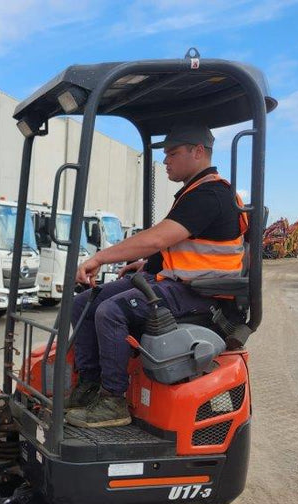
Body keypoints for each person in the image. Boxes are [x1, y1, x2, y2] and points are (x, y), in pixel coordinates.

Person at [65, 124, 247, 428]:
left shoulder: (211, 194)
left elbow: (157, 238)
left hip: (203, 294)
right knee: (83, 303)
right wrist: (147, 266)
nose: (166, 162)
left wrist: (99, 257)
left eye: (173, 154)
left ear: (198, 152)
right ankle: (89, 385)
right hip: (179, 284)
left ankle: (113, 401)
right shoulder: (193, 192)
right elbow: (177, 246)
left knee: (111, 312)